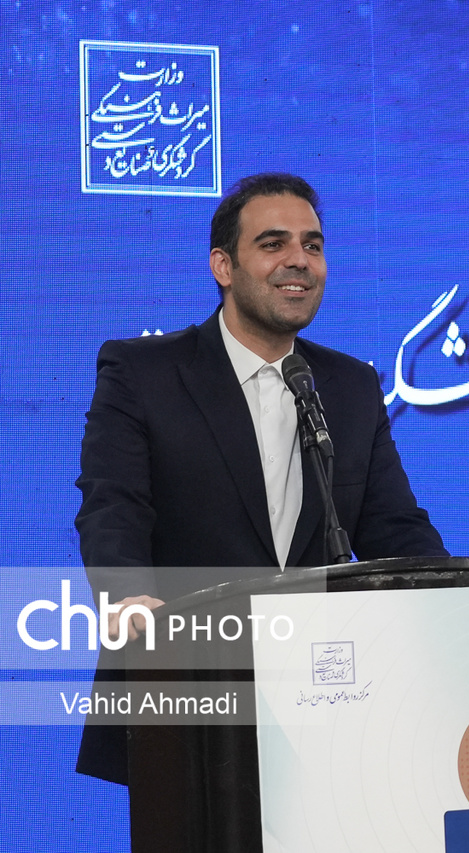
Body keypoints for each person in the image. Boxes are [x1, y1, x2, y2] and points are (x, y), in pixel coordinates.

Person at [74, 172, 448, 783]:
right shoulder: (144, 372)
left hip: (325, 705)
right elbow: (113, 505)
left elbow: (393, 526)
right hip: (190, 695)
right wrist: (127, 597)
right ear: (223, 266)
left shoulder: (350, 387)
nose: (299, 260)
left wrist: (457, 600)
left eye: (313, 245)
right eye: (273, 243)